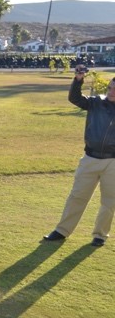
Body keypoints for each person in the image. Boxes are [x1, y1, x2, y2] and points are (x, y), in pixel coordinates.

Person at [43, 65, 115, 247]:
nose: (111, 92)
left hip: (112, 162)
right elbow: (75, 98)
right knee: (77, 196)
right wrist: (78, 79)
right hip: (90, 158)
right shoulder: (96, 102)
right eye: (110, 88)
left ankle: (100, 235)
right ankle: (62, 230)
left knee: (109, 201)